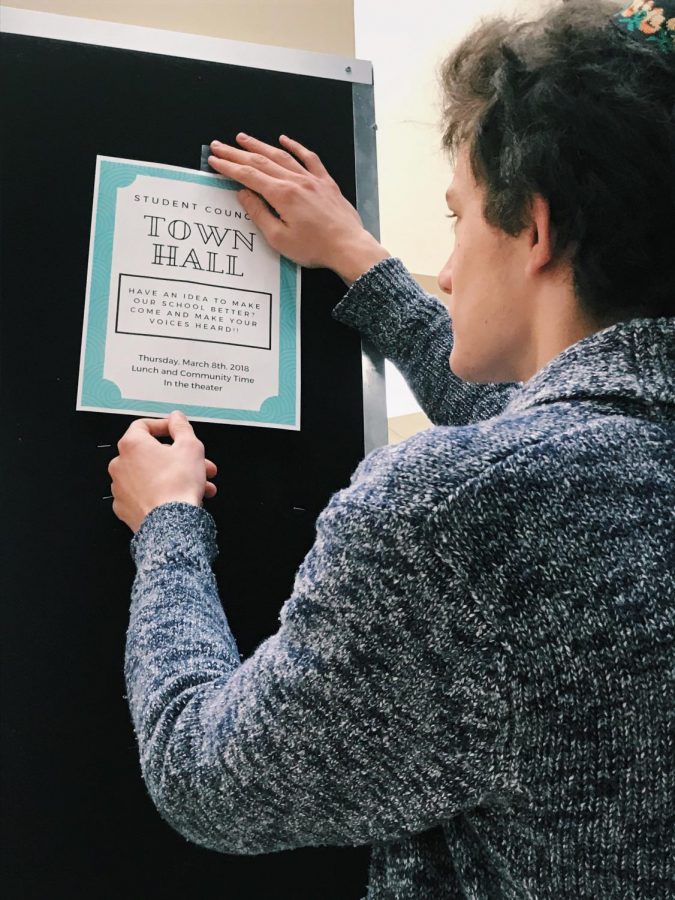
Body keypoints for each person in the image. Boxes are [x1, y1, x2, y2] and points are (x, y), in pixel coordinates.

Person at [108, 1, 675, 896]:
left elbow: (207, 777)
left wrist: (168, 527)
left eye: (454, 219)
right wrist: (356, 260)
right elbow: (543, 420)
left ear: (533, 226)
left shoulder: (458, 514)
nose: (444, 269)